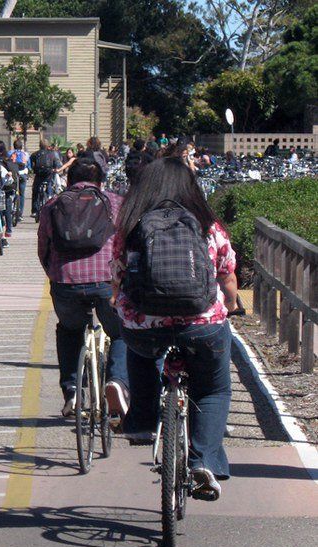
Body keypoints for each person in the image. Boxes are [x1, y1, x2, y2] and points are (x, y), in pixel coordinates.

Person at [110, 157, 239, 500]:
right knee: (213, 390)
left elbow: (118, 274)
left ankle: (141, 420)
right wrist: (231, 302)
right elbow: (227, 272)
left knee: (138, 353)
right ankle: (203, 461)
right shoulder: (206, 224)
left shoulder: (132, 225)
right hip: (202, 324)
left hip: (144, 322)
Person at [37, 157, 127, 418]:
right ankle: (117, 382)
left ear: (68, 179)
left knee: (69, 331)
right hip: (106, 282)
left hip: (66, 283)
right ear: (101, 180)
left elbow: (44, 247)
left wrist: (54, 274)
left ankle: (73, 391)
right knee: (121, 333)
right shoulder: (115, 203)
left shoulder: (52, 205)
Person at [30, 139, 62, 219]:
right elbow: (57, 164)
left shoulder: (35, 154)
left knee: (35, 191)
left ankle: (34, 211)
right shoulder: (52, 154)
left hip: (39, 174)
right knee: (49, 188)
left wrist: (33, 170)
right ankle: (50, 204)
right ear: (48, 146)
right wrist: (55, 169)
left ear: (39, 145)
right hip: (48, 174)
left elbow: (31, 164)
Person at [7, 139, 30, 224]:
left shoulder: (10, 153)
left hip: (14, 174)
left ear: (14, 145)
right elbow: (28, 165)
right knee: (22, 194)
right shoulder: (25, 154)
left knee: (12, 191)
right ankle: (20, 214)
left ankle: (12, 207)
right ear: (21, 146)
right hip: (23, 174)